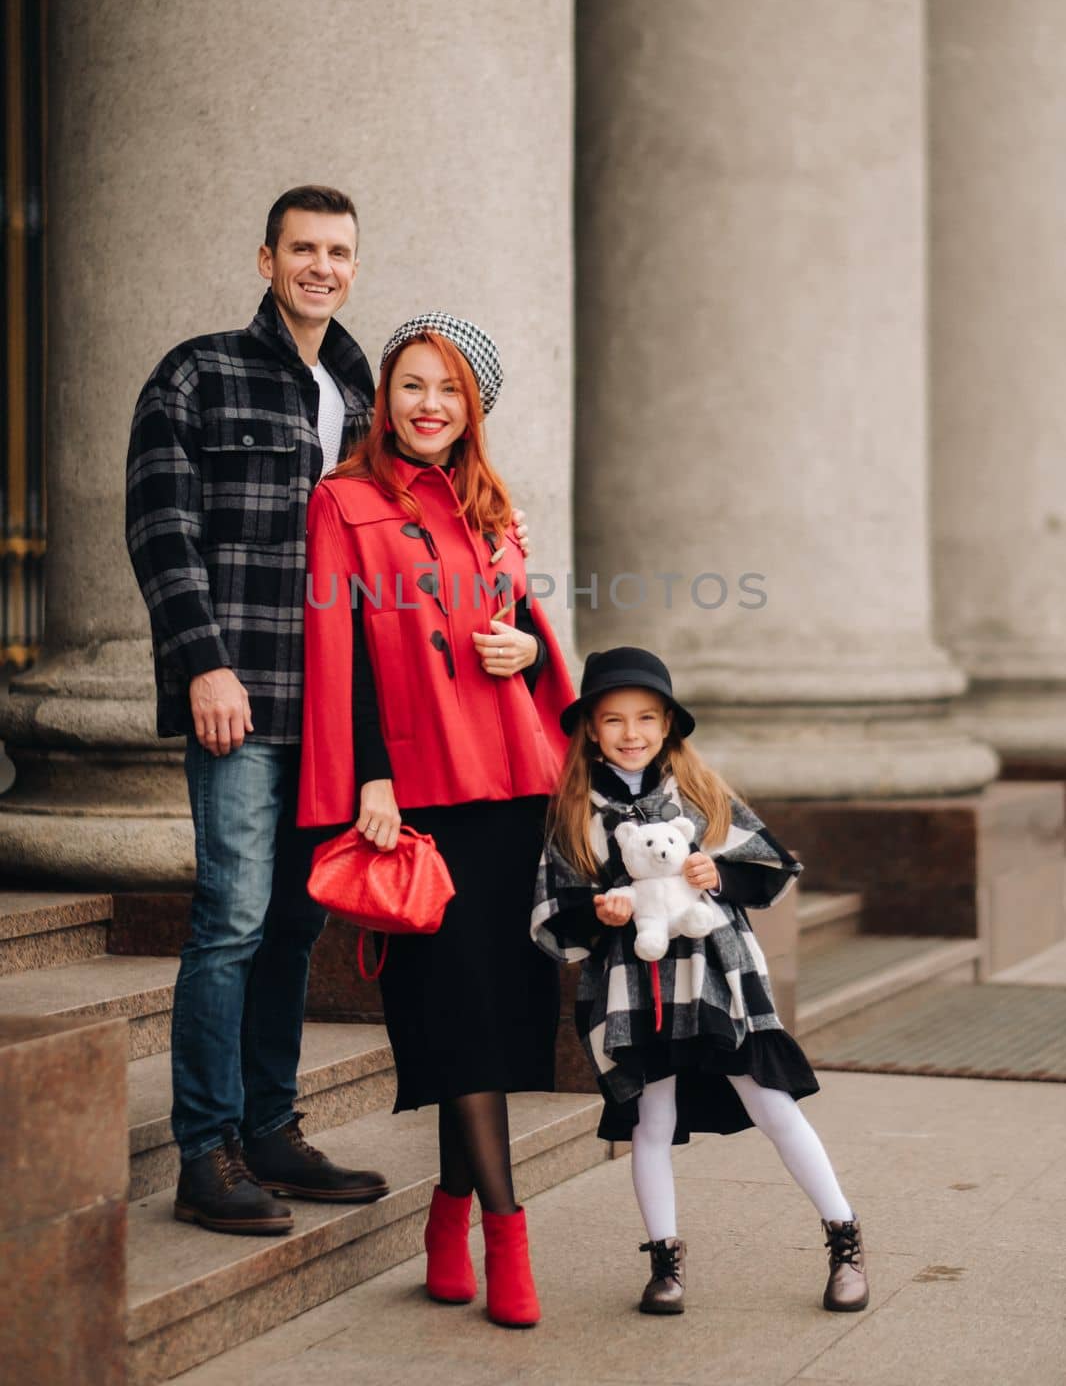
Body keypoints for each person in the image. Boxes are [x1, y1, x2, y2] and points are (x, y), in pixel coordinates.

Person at [297, 312, 575, 1328]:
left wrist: (528, 658)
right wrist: (369, 776)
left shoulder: (494, 510)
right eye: (412, 385)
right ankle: (508, 1234)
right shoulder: (344, 501)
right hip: (420, 794)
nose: (428, 406)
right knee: (455, 1011)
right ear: (386, 398)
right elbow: (342, 646)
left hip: (510, 791)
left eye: (448, 391)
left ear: (474, 409)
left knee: (501, 1015)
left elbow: (527, 637)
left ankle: (450, 1208)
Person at [125, 185, 391, 1235]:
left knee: (291, 924)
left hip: (328, 707)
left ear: (354, 266)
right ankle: (207, 1152)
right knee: (231, 921)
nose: (321, 266)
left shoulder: (363, 389)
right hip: (240, 695)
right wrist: (204, 664)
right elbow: (159, 524)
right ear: (265, 258)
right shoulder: (197, 370)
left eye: (339, 251)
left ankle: (272, 1130)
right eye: (303, 249)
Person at [531, 646, 869, 1317]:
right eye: (615, 720)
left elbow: (769, 865)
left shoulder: (700, 794)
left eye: (646, 718)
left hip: (718, 980)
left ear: (667, 726)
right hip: (634, 990)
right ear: (592, 731)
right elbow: (552, 912)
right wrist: (600, 913)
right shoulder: (575, 812)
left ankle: (845, 1239)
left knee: (772, 1103)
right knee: (651, 1120)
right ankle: (665, 1262)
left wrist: (721, 876)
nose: (632, 733)